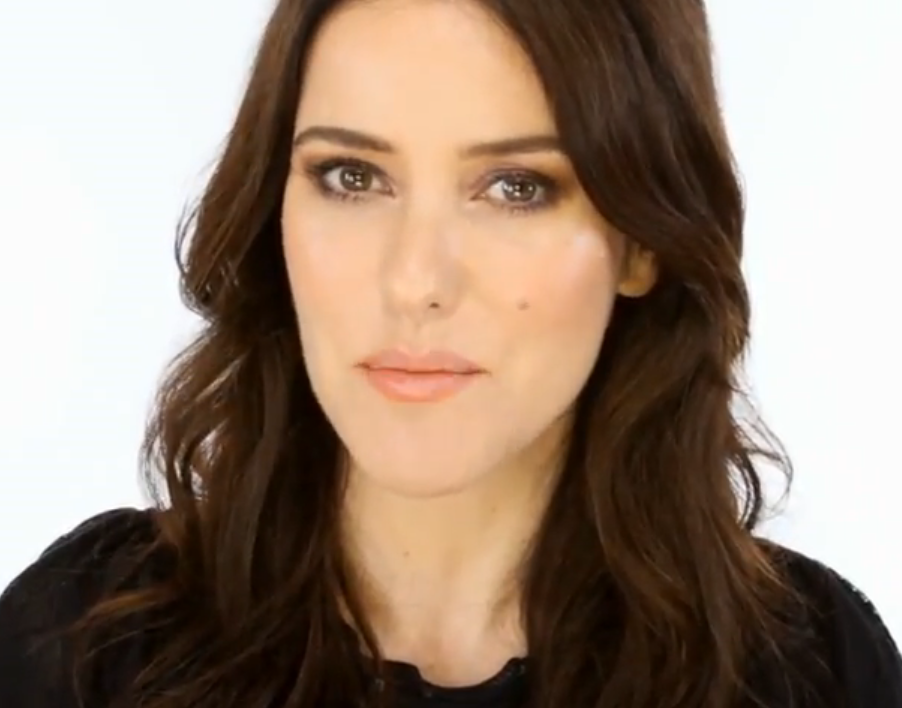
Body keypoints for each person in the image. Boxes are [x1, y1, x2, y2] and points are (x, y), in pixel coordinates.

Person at [1, 0, 900, 706]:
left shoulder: (810, 670)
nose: (415, 281)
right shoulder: (82, 642)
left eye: (516, 188)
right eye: (352, 177)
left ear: (642, 241)